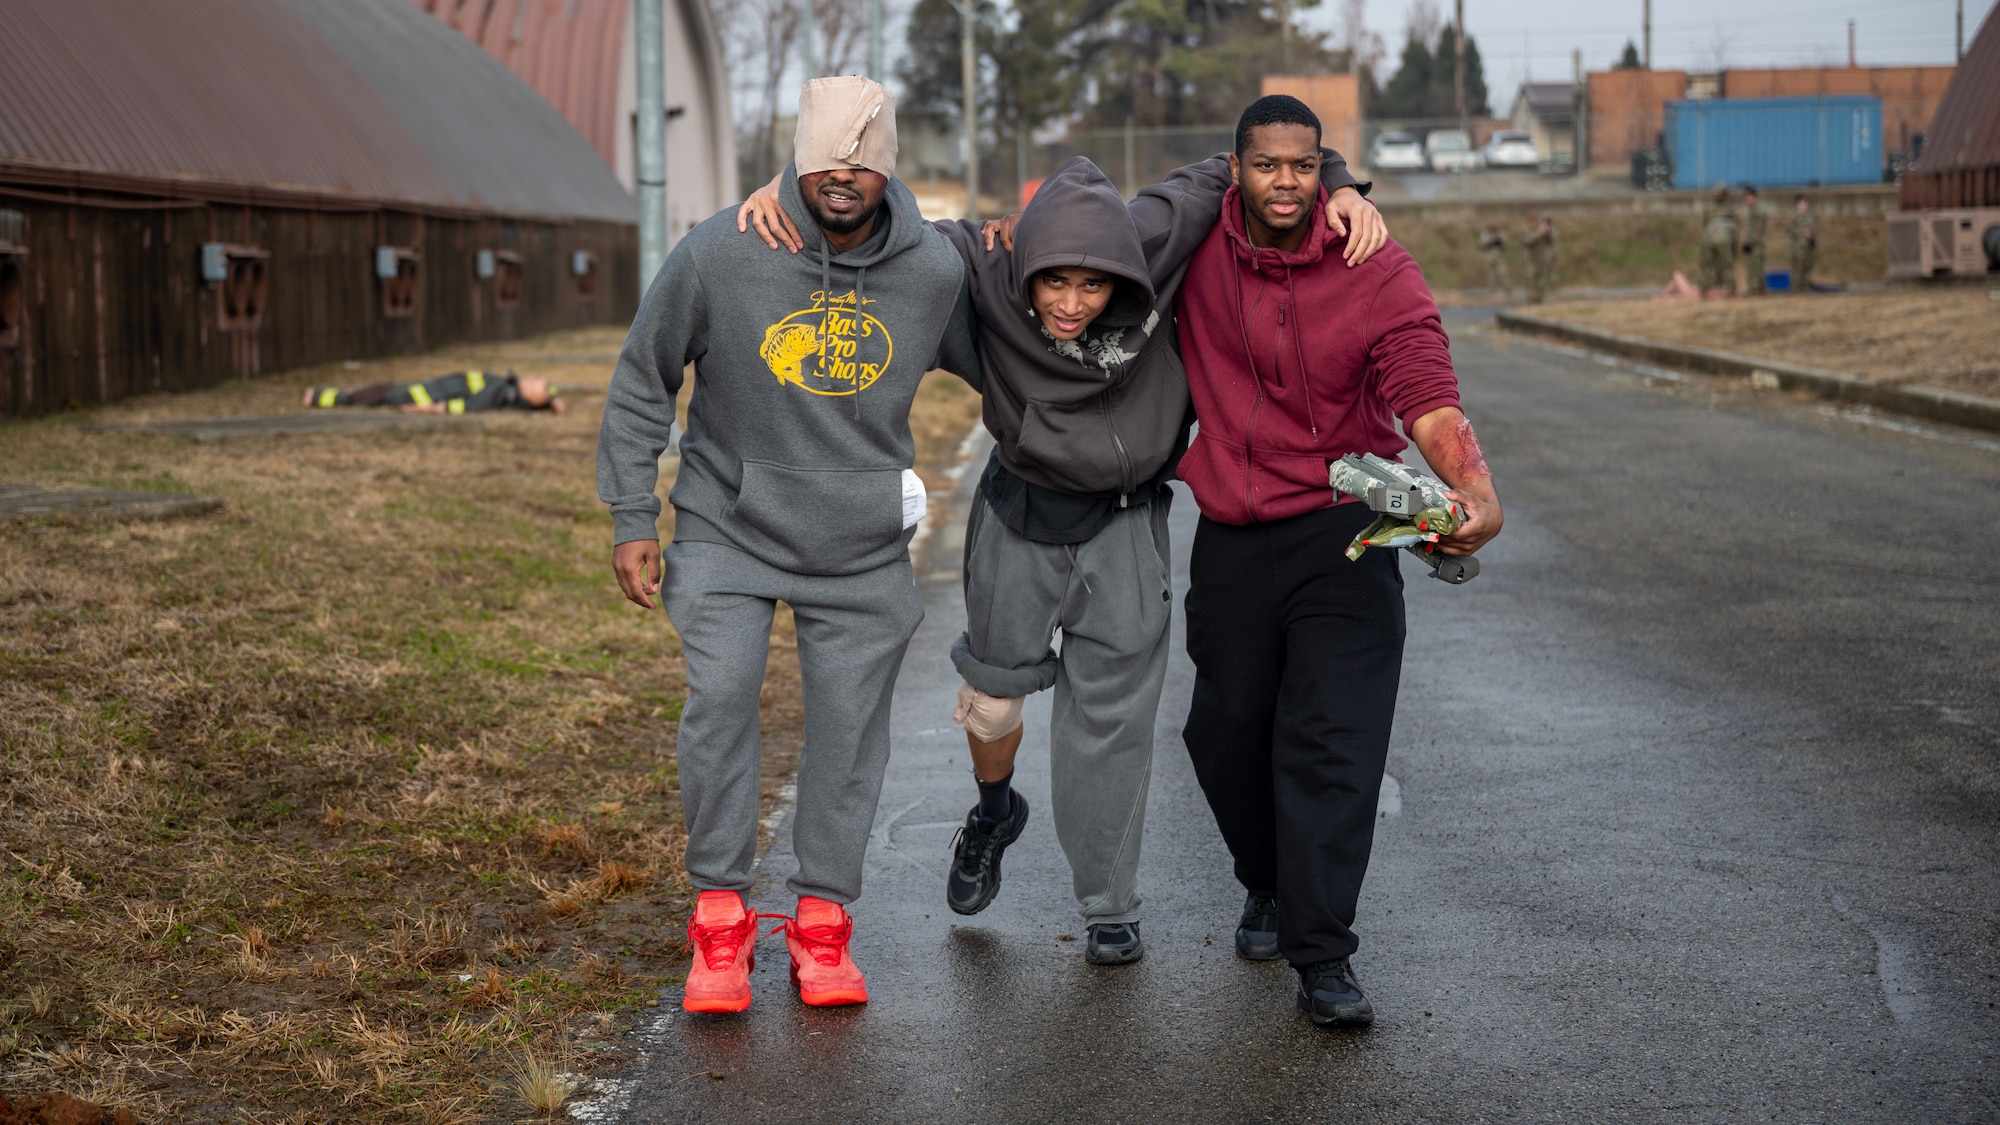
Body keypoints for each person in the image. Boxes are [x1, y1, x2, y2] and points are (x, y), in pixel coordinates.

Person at [736, 138, 1387, 966]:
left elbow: (1257, 152)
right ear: (1026, 266)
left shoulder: (1156, 233)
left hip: (1126, 520)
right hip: (1020, 512)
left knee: (1111, 725)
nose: (1073, 303)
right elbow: (874, 219)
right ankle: (994, 809)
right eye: (1054, 281)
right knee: (992, 703)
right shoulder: (983, 259)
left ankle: (1110, 907)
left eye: (1092, 284)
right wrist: (784, 193)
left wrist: (1340, 186)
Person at [596, 76, 981, 1015]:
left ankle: (821, 920)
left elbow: (1011, 356)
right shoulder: (723, 250)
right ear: (798, 160)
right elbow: (645, 376)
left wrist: (1021, 247)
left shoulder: (933, 271)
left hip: (859, 542)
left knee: (849, 733)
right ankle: (720, 918)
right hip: (728, 525)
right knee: (722, 700)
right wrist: (632, 514)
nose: (841, 176)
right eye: (823, 160)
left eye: (862, 161)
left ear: (889, 167)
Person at [1173, 95, 1503, 1029]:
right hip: (1233, 533)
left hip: (1342, 530)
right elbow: (1097, 241)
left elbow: (1424, 390)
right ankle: (1267, 880)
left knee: (1332, 742)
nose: (1286, 183)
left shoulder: (1373, 260)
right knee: (1224, 733)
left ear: (1325, 169)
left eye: (1305, 166)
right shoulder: (1194, 248)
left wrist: (1475, 488)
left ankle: (1324, 955)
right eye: (1266, 165)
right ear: (1235, 168)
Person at [302, 369, 564, 414]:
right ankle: (331, 395)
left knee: (379, 394)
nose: (536, 379)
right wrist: (553, 399)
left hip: (429, 396)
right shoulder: (507, 386)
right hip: (431, 389)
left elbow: (470, 406)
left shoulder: (503, 391)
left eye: (539, 385)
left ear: (531, 399)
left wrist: (428, 409)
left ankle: (319, 397)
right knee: (380, 392)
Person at [1698, 185, 1738, 298]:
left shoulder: (1727, 209)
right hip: (1720, 238)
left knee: (1711, 267)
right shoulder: (1728, 209)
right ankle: (1730, 291)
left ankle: (1704, 291)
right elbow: (1734, 232)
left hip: (1711, 237)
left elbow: (1704, 226)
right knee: (1723, 267)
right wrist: (1734, 250)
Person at [1739, 185, 1768, 296]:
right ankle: (1759, 291)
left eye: (1748, 196)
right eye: (1745, 196)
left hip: (1756, 246)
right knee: (1755, 268)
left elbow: (1758, 230)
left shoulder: (1758, 210)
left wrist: (1749, 243)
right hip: (1754, 244)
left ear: (1754, 197)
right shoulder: (1752, 210)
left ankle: (1755, 291)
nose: (1746, 199)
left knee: (1755, 269)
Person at [1522, 214, 1556, 303]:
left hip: (1541, 259)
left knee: (1541, 280)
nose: (1534, 223)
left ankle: (1539, 298)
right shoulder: (1527, 231)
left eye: (1535, 221)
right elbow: (1527, 241)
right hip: (1530, 259)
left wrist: (1547, 231)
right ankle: (1531, 298)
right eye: (1532, 222)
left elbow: (1551, 241)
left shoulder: (1542, 231)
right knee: (1531, 279)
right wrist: (1539, 233)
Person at [1790, 194, 1817, 292]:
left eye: (1806, 203)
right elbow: (1788, 230)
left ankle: (1806, 289)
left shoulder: (1809, 216)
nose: (1806, 205)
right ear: (1798, 204)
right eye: (1803, 203)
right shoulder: (1792, 216)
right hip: (1798, 248)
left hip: (1808, 247)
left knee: (1807, 268)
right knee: (1798, 270)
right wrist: (1802, 232)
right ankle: (1796, 290)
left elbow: (1812, 229)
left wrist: (1812, 238)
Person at [1479, 224, 1510, 300]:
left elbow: (1505, 243)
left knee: (1503, 273)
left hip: (1499, 255)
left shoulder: (1501, 234)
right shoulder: (1485, 235)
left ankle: (1507, 291)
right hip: (1489, 256)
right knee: (1490, 275)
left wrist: (1498, 240)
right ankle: (1493, 292)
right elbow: (1481, 245)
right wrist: (1489, 241)